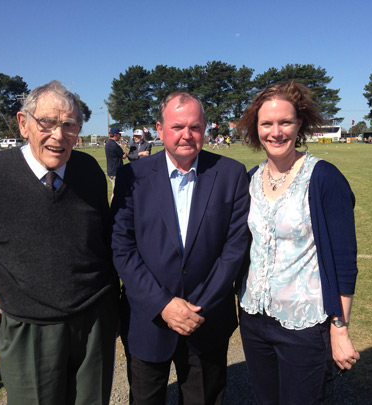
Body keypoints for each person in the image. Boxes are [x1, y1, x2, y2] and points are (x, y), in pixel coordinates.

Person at [0, 80, 120, 404]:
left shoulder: (88, 169)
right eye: (47, 122)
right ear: (24, 124)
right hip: (29, 327)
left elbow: (104, 239)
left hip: (94, 321)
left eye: (69, 125)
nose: (58, 135)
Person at [111, 91, 250, 404]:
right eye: (177, 127)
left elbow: (234, 247)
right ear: (159, 130)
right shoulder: (132, 176)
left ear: (205, 128)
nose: (187, 135)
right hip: (149, 317)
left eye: (195, 127)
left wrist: (195, 307)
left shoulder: (230, 174)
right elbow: (122, 246)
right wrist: (164, 304)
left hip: (207, 318)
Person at [236, 81, 360, 404]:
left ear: (299, 124)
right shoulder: (249, 179)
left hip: (303, 325)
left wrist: (340, 328)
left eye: (285, 122)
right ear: (256, 127)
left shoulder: (323, 178)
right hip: (253, 320)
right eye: (267, 124)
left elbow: (345, 262)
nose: (276, 132)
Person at [105, 126, 127, 198]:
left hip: (110, 170)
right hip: (116, 172)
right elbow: (123, 156)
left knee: (115, 191)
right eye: (119, 134)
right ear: (115, 135)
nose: (120, 136)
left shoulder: (108, 143)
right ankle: (113, 208)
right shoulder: (114, 145)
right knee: (116, 193)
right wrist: (125, 153)